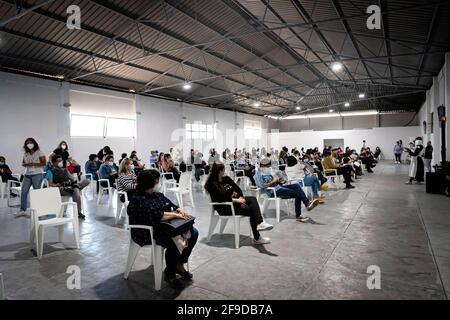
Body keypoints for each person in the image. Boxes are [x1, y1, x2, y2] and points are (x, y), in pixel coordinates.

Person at [127, 170, 198, 289]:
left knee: (194, 232)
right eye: (157, 181)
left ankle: (179, 264)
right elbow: (157, 215)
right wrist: (175, 215)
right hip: (146, 232)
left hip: (161, 228)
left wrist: (179, 210)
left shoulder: (157, 195)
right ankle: (170, 273)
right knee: (174, 241)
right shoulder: (138, 199)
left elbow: (171, 205)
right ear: (150, 183)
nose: (158, 183)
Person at [205, 162, 273, 244]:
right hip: (225, 208)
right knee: (252, 210)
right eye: (223, 170)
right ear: (219, 171)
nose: (224, 171)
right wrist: (237, 200)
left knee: (252, 199)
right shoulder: (211, 184)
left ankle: (260, 225)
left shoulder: (226, 179)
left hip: (234, 203)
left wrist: (239, 197)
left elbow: (238, 189)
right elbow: (220, 199)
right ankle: (258, 235)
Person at [254, 158, 319, 222]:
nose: (269, 167)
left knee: (296, 186)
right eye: (267, 166)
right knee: (298, 194)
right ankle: (301, 212)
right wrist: (273, 181)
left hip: (279, 187)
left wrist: (280, 180)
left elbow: (276, 180)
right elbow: (262, 186)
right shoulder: (258, 174)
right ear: (262, 165)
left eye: (269, 166)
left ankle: (307, 203)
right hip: (273, 191)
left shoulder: (268, 172)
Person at [46, 155, 90, 219]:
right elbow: (50, 183)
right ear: (54, 162)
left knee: (86, 181)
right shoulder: (50, 171)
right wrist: (56, 185)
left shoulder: (65, 170)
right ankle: (78, 212)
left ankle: (77, 187)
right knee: (76, 191)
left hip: (69, 186)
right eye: (59, 161)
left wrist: (72, 180)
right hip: (60, 188)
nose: (61, 162)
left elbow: (73, 179)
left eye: (61, 161)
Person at [16, 138, 47, 217]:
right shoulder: (26, 153)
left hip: (37, 174)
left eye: (31, 142)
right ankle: (23, 210)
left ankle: (40, 211)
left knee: (37, 193)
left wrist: (33, 164)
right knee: (23, 192)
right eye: (28, 143)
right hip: (27, 174)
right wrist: (25, 164)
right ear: (26, 145)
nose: (29, 144)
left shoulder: (39, 152)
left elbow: (44, 163)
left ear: (34, 143)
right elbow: (23, 163)